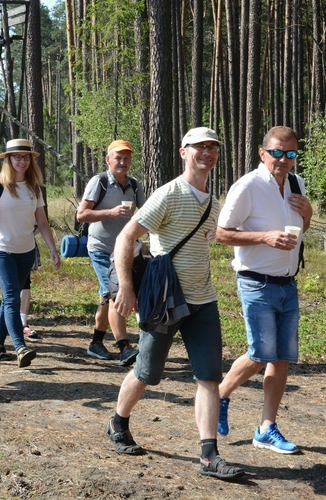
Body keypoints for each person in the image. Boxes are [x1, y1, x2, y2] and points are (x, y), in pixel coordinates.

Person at [106, 127, 244, 481]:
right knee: (147, 373)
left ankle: (209, 454)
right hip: (166, 299)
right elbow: (126, 237)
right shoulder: (168, 194)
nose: (207, 153)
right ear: (184, 152)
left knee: (209, 378)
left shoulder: (214, 202)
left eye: (213, 147)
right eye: (200, 147)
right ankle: (118, 422)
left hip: (204, 301)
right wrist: (126, 287)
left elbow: (225, 236)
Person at [215, 126, 312, 455]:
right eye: (277, 153)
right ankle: (221, 393)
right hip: (256, 281)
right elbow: (222, 233)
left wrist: (308, 215)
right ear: (262, 153)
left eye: (291, 154)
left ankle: (266, 428)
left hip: (288, 283)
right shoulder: (247, 186)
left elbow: (300, 229)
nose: (284, 160)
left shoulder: (296, 185)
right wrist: (265, 237)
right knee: (260, 353)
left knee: (282, 358)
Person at [0, 138, 61, 367]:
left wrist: (52, 249)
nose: (22, 161)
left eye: (26, 157)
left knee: (8, 300)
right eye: (17, 157)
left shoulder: (34, 188)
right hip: (1, 251)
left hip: (26, 252)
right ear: (8, 159)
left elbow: (42, 222)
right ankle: (20, 347)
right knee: (12, 296)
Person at [76, 139, 145, 365]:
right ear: (108, 160)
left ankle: (96, 343)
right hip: (101, 248)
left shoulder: (134, 185)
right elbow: (82, 215)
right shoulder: (100, 181)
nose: (123, 162)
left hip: (125, 251)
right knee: (115, 294)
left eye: (126, 158)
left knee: (106, 296)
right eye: (118, 158)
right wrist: (111, 212)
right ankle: (124, 347)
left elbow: (145, 213)